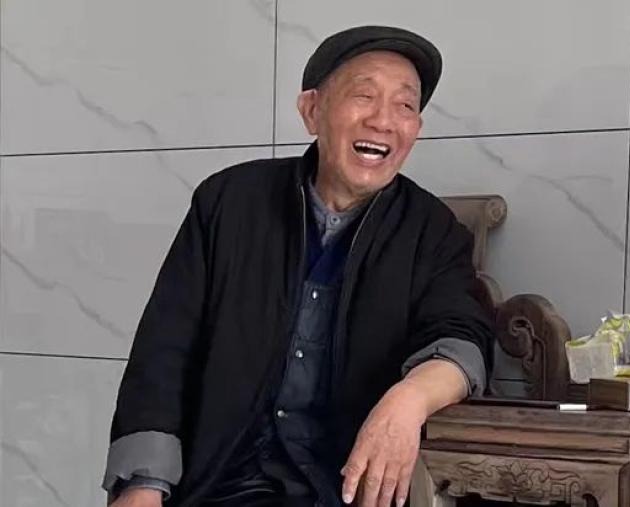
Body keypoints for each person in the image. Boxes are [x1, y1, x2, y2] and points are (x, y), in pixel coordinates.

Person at [103, 25, 493, 507]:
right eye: (364, 95)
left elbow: (463, 340)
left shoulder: (432, 229)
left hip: (345, 487)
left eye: (405, 105)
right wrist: (142, 484)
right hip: (220, 483)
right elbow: (165, 349)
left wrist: (408, 401)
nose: (383, 120)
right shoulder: (228, 202)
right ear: (312, 111)